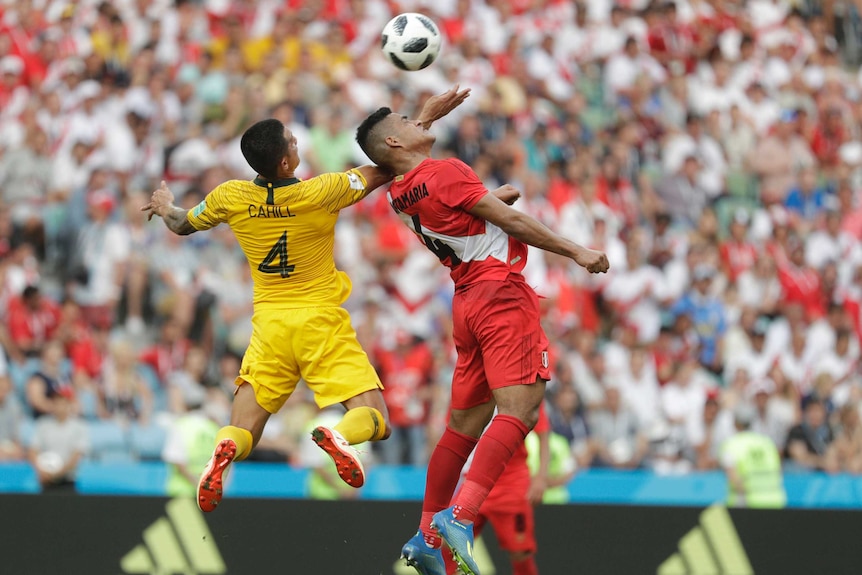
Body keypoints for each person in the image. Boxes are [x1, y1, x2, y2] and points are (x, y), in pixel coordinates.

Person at [142, 86, 470, 513]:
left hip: (270, 328)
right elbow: (388, 165)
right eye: (293, 142)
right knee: (376, 418)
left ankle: (223, 447)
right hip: (319, 322)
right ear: (284, 162)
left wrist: (166, 204)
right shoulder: (322, 192)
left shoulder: (230, 197)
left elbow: (182, 225)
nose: (299, 143)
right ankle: (339, 436)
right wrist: (423, 120)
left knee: (244, 427)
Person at [355, 106, 609, 575]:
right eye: (409, 122)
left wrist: (486, 195)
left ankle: (427, 533)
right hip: (501, 294)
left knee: (461, 429)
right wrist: (578, 251)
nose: (419, 123)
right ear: (393, 143)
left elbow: (455, 210)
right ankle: (461, 515)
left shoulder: (398, 192)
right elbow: (509, 221)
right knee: (522, 411)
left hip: (466, 302)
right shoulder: (447, 171)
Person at [442, 404, 555, 575]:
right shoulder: (470, 390)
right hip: (473, 482)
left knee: (520, 552)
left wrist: (541, 477)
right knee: (447, 539)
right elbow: (454, 434)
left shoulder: (521, 390)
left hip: (511, 484)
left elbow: (544, 434)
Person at [720, 403, 787, 508]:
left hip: (750, 504)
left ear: (735, 423)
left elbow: (734, 477)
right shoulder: (767, 443)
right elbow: (778, 470)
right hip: (775, 501)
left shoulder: (731, 445)